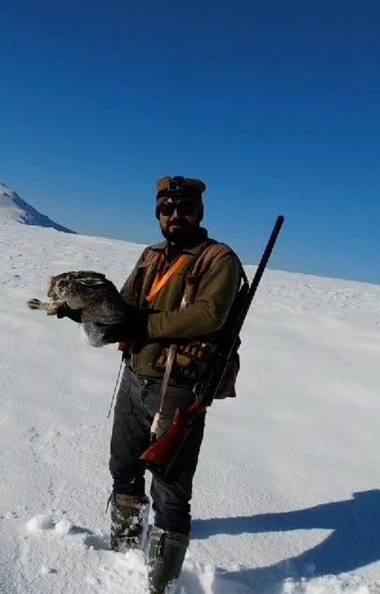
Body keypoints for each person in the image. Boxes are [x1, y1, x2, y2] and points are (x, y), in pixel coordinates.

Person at [86, 175, 244, 593]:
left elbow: (210, 314)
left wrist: (145, 324)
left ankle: (162, 582)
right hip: (135, 376)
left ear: (199, 212)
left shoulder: (219, 260)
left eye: (185, 208)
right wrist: (89, 311)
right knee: (123, 466)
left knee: (171, 489)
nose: (176, 216)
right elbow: (127, 303)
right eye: (167, 209)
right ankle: (123, 551)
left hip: (176, 388)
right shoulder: (152, 254)